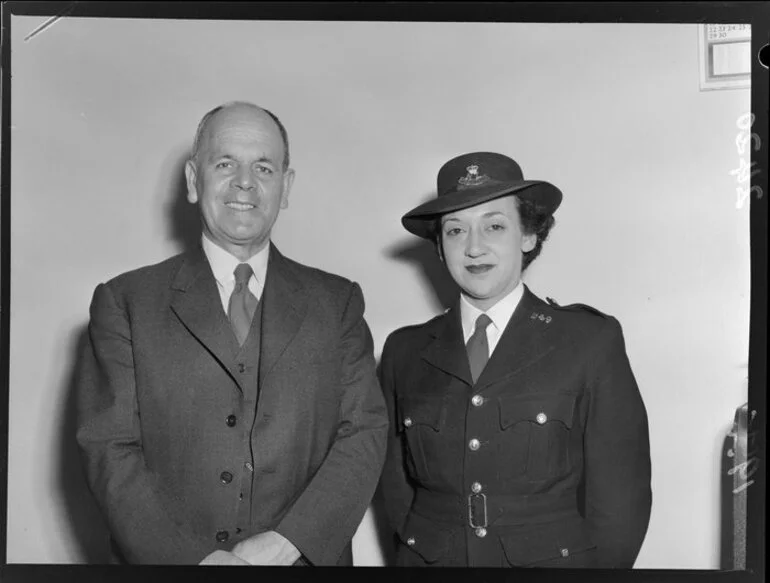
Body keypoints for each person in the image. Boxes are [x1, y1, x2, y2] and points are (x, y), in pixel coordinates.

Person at [75, 101, 388, 566]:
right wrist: (195, 561)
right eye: (225, 163)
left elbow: (363, 434)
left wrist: (287, 545)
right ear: (191, 180)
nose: (245, 181)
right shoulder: (124, 302)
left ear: (286, 187)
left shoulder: (338, 303)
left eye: (264, 166)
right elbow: (109, 448)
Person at [378, 152, 652, 568]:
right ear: (439, 246)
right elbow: (394, 486)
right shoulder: (404, 351)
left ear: (527, 235)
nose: (473, 247)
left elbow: (621, 503)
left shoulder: (588, 341)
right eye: (455, 231)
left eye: (494, 226)